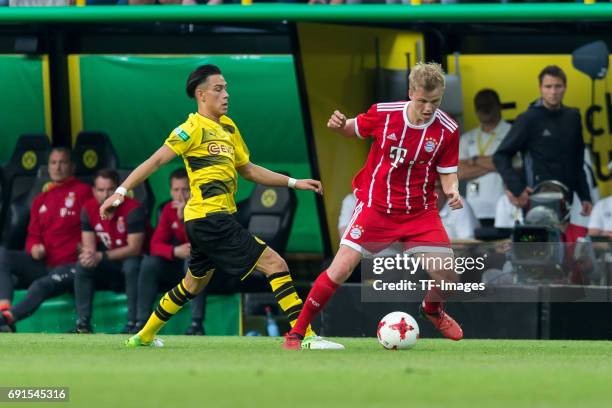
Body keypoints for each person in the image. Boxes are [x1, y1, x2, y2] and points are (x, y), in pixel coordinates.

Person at [101, 64, 336, 348]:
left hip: (208, 221)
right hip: (209, 219)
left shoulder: (228, 127)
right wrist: (122, 191)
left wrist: (294, 182)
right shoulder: (191, 128)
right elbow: (156, 161)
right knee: (276, 263)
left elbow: (248, 169)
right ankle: (305, 336)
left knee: (192, 285)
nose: (226, 94)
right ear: (201, 95)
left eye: (226, 88)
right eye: (218, 89)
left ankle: (143, 336)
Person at [284, 62, 465, 350]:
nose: (429, 108)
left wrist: (452, 190)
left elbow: (447, 170)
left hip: (419, 213)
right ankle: (296, 333)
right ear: (410, 93)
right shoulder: (385, 113)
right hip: (376, 208)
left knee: (449, 276)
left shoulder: (448, 129)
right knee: (340, 269)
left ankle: (432, 309)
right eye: (422, 101)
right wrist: (340, 125)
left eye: (435, 101)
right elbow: (353, 129)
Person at [0, 148, 92, 332]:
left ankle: (7, 320)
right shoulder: (41, 199)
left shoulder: (83, 192)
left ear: (72, 167)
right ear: (48, 167)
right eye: (53, 162)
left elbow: (94, 226)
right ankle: (3, 309)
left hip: (72, 265)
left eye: (63, 162)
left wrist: (87, 246)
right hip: (44, 262)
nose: (57, 167)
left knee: (40, 285)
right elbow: (33, 235)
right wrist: (33, 247)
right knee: (2, 256)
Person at [493, 65, 592, 218]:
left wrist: (585, 196)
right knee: (539, 241)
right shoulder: (528, 118)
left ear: (565, 87)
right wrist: (518, 188)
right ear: (540, 88)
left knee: (562, 242)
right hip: (536, 197)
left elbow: (577, 162)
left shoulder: (573, 117)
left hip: (565, 198)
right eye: (548, 86)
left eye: (558, 86)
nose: (553, 92)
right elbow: (500, 155)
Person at [136, 168, 208, 335]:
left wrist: (183, 218)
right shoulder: (168, 209)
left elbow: (198, 243)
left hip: (200, 266)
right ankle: (141, 322)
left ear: (193, 189)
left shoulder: (202, 208)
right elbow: (155, 245)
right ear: (170, 191)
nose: (180, 195)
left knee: (194, 263)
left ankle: (196, 325)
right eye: (176, 190)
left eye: (185, 189)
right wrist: (175, 251)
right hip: (175, 264)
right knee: (149, 263)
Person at [74, 169, 145, 334]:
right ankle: (83, 323)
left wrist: (100, 255)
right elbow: (89, 247)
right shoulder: (88, 208)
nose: (106, 194)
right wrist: (89, 255)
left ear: (119, 190)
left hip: (133, 262)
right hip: (108, 264)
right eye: (100, 190)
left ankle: (132, 323)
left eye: (110, 189)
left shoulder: (133, 209)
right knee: (83, 265)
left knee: (131, 266)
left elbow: (134, 248)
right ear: (93, 191)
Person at [459, 89, 512, 226]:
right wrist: (496, 164)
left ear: (498, 106)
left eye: (489, 105)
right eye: (480, 106)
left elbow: (514, 165)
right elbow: (459, 172)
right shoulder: (467, 138)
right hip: (474, 210)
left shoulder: (512, 133)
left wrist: (475, 161)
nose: (484, 109)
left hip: (505, 206)